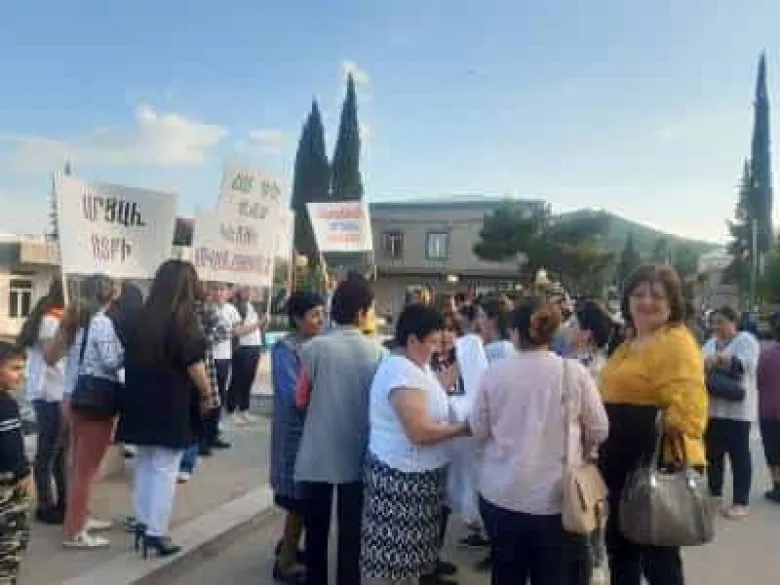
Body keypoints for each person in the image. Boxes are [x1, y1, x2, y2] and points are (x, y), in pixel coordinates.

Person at [470, 298, 608, 585]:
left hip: (501, 495)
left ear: (514, 332)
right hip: (556, 501)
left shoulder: (494, 373)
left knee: (506, 574)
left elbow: (479, 431)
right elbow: (599, 430)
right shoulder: (574, 372)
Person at [600, 264, 708, 585]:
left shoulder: (674, 341)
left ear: (673, 302)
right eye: (638, 294)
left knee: (658, 555)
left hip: (654, 461)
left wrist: (641, 427)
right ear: (627, 300)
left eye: (657, 295)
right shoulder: (629, 342)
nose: (646, 301)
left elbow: (689, 413)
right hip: (621, 461)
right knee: (621, 548)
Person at [360, 304, 469, 585]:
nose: (436, 349)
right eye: (432, 342)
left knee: (410, 564)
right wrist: (464, 428)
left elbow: (435, 387)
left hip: (417, 479)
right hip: (401, 480)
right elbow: (419, 432)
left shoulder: (415, 365)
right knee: (394, 562)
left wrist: (466, 359)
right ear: (411, 340)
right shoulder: (400, 372)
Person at [116, 260, 216, 558]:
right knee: (166, 468)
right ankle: (156, 532)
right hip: (171, 401)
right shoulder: (184, 320)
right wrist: (207, 394)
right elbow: (194, 364)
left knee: (145, 462)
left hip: (139, 398)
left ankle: (143, 522)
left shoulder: (139, 317)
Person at [295, 276, 384, 585]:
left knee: (316, 530)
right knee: (352, 532)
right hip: (358, 452)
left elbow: (300, 398)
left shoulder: (313, 348)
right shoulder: (378, 353)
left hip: (317, 450)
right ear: (361, 313)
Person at [57, 275, 123, 549]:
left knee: (79, 466)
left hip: (75, 396)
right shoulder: (101, 322)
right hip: (96, 400)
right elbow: (111, 361)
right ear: (110, 295)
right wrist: (128, 352)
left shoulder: (76, 320)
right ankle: (74, 531)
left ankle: (80, 517)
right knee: (86, 469)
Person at [270, 291, 325, 584]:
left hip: (312, 432)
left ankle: (288, 548)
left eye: (322, 314)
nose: (320, 320)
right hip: (293, 435)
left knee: (304, 500)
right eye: (314, 315)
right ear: (296, 318)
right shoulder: (285, 349)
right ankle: (285, 565)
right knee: (297, 500)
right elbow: (292, 397)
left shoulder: (317, 344)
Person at [16, 279, 67, 525]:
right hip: (50, 393)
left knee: (58, 453)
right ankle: (45, 505)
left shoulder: (54, 317)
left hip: (55, 392)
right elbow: (51, 357)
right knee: (48, 453)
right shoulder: (51, 320)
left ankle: (62, 503)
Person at [703, 306, 760, 519]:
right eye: (713, 323)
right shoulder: (710, 343)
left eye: (721, 322)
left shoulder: (746, 340)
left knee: (739, 456)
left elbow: (748, 367)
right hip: (714, 409)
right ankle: (715, 494)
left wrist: (719, 360)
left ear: (733, 322)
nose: (716, 327)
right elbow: (700, 364)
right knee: (713, 455)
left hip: (738, 412)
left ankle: (740, 502)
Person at [0, 342, 32, 583]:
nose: (22, 375)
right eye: (15, 368)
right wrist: (24, 472)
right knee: (9, 547)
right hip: (6, 486)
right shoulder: (6, 404)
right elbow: (11, 446)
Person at [228, 286, 265, 425]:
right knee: (238, 379)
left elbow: (259, 328)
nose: (250, 292)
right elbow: (239, 331)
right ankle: (231, 409)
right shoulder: (237, 307)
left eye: (251, 289)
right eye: (246, 289)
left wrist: (264, 324)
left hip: (255, 346)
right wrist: (259, 323)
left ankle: (244, 409)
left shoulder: (254, 306)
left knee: (249, 379)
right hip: (242, 347)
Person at [758, 320, 780, 503]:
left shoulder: (766, 355)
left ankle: (777, 488)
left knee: (772, 451)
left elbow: (758, 381)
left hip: (769, 410)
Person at [481, 297, 516, 363]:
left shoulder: (498, 348)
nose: (480, 321)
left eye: (482, 316)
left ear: (493, 319)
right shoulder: (512, 342)